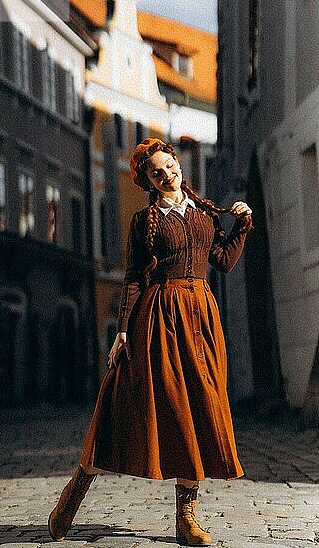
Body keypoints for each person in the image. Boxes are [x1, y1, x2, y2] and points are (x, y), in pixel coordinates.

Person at [48, 138, 253, 546]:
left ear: (177, 162)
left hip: (201, 320)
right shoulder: (145, 223)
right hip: (159, 319)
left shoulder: (205, 213)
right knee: (129, 402)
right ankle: (78, 486)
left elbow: (224, 262)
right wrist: (123, 331)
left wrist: (242, 225)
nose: (167, 175)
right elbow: (134, 279)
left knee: (201, 405)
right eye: (157, 173)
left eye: (170, 166)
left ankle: (186, 518)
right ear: (149, 181)